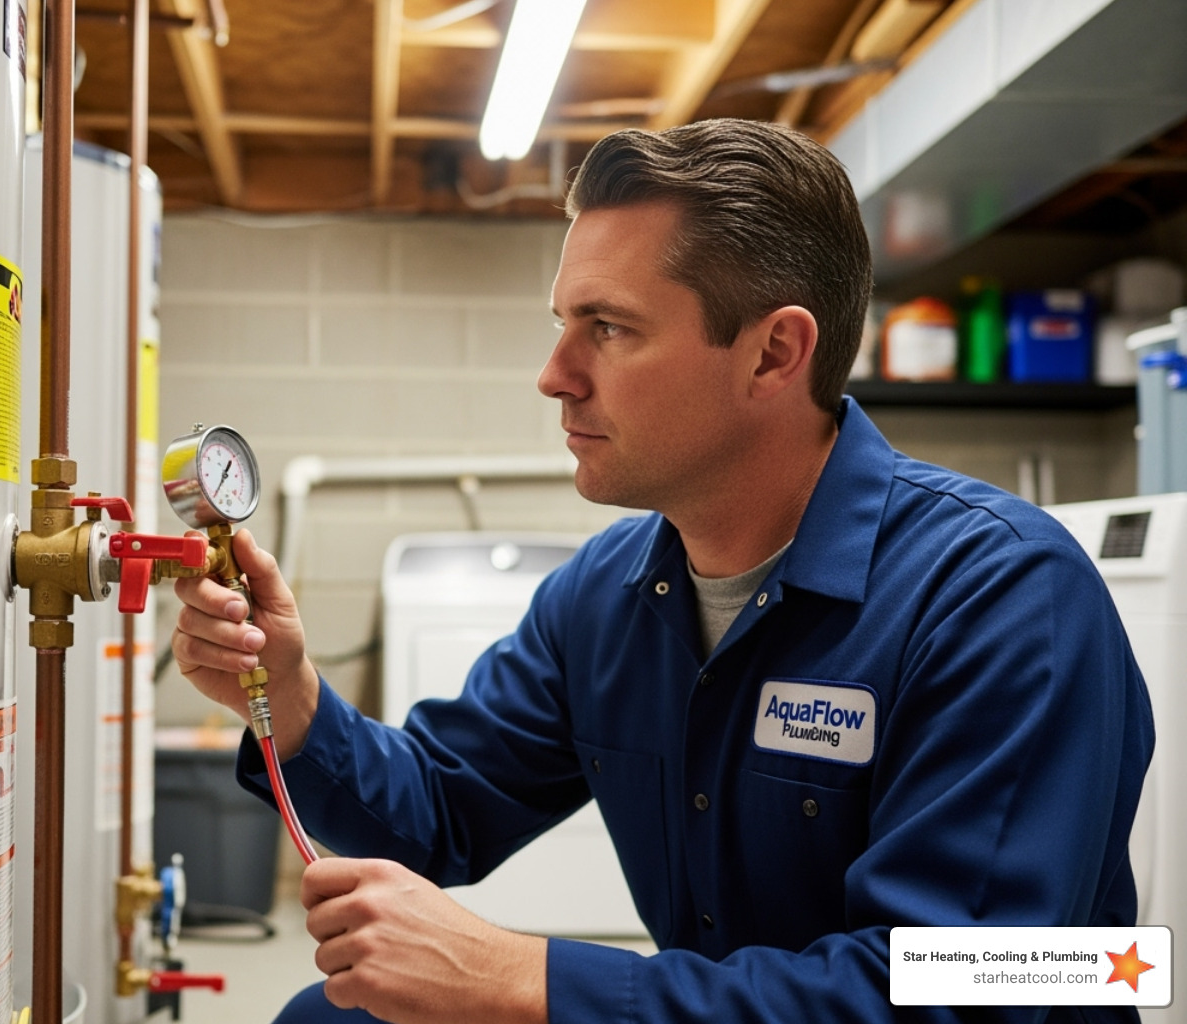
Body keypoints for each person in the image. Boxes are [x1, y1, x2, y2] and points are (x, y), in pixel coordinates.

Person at [170, 119, 1155, 1024]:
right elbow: (439, 808)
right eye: (562, 321)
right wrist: (289, 695)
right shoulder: (607, 596)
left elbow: (963, 991)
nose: (554, 373)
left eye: (608, 326)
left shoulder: (1002, 597)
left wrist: (524, 978)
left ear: (775, 352)